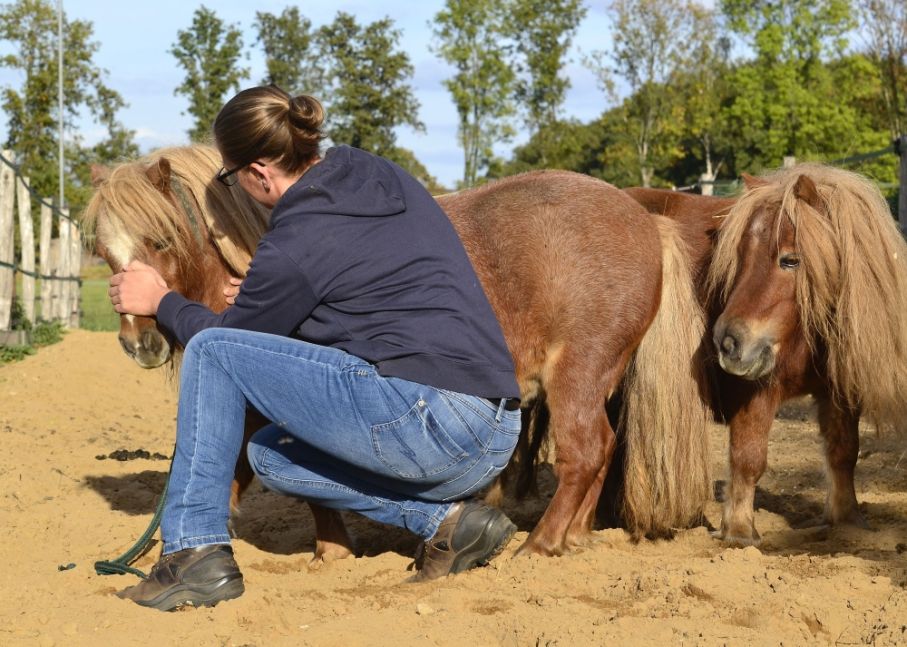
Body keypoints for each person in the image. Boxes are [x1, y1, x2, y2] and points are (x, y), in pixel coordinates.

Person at [107, 85, 521, 611]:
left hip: (428, 421)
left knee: (212, 351)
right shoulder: (373, 173)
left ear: (258, 172)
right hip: (491, 432)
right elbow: (367, 303)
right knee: (271, 454)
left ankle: (192, 551)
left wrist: (161, 300)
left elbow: (228, 341)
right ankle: (447, 523)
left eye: (230, 178)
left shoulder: (296, 236)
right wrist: (272, 296)